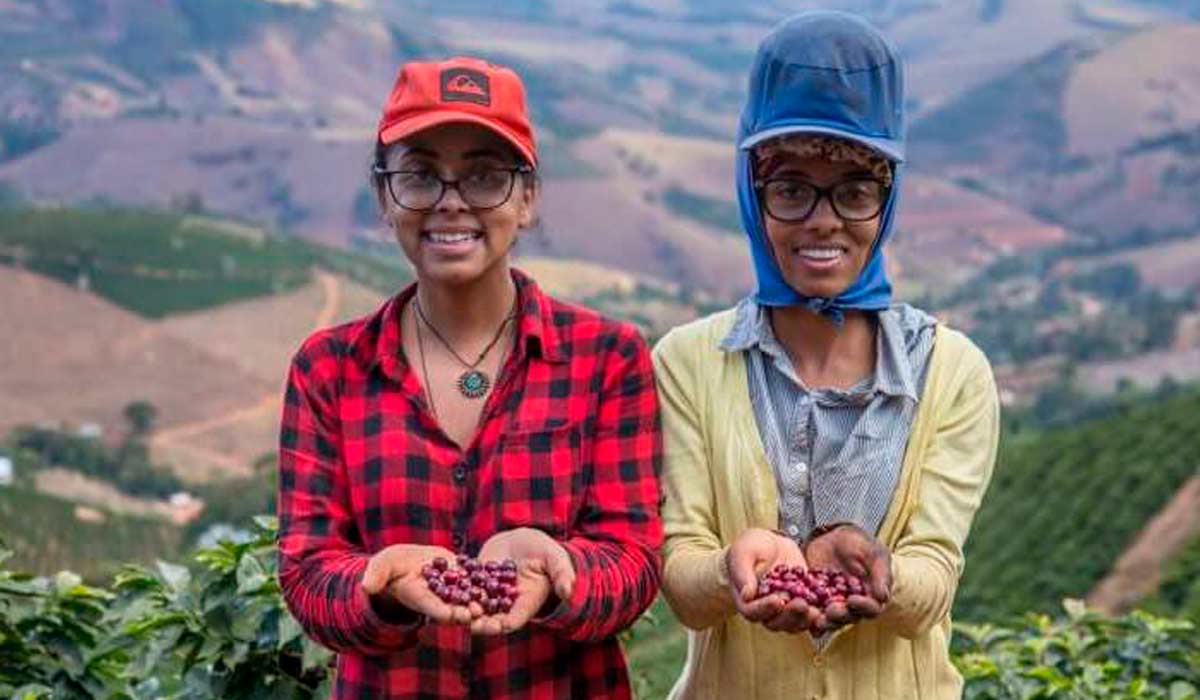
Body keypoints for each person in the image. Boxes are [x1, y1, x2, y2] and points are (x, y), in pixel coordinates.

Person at [276, 56, 663, 698]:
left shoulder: (608, 358)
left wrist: (558, 569)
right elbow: (308, 575)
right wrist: (384, 583)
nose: (451, 202)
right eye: (421, 176)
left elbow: (634, 561)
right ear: (383, 197)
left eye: (484, 177)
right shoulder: (329, 370)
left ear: (528, 198)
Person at [652, 12, 1000, 699]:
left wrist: (881, 572)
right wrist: (731, 569)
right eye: (791, 190)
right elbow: (682, 581)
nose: (823, 219)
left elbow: (932, 577)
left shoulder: (952, 372)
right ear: (754, 198)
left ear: (886, 200)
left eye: (854, 191)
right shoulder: (687, 363)